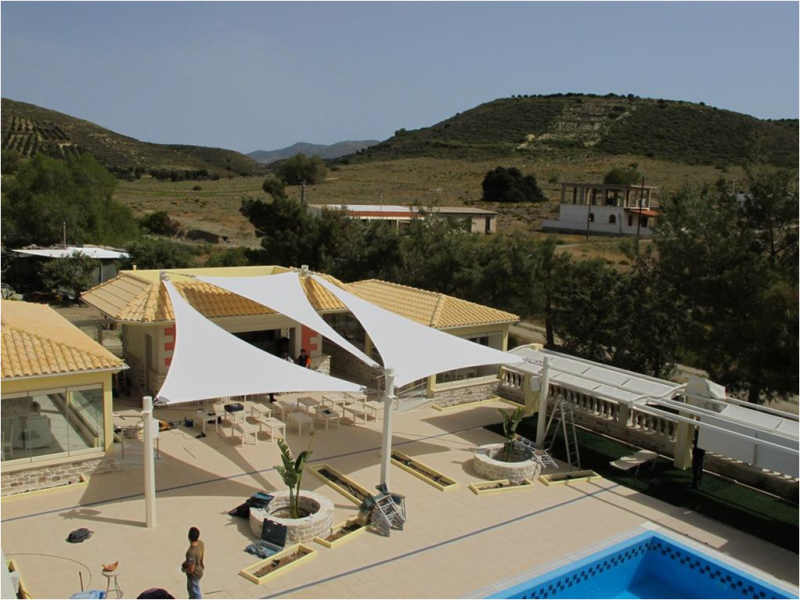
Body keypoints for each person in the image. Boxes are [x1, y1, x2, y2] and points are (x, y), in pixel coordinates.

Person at [181, 526, 205, 599]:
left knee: (195, 591)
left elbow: (191, 569)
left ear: (189, 537)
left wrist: (184, 570)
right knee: (193, 591)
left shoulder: (191, 552)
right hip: (200, 568)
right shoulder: (201, 543)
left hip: (194, 575)